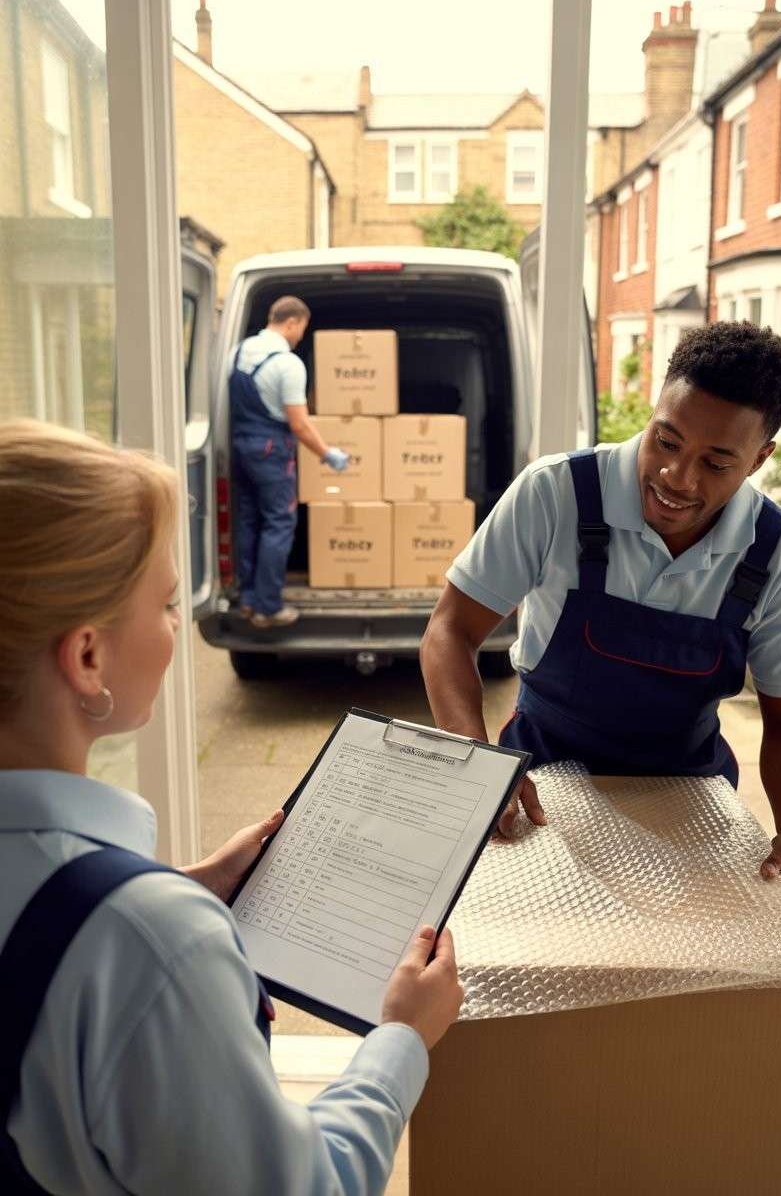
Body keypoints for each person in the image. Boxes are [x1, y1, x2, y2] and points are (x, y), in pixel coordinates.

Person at [0, 420, 463, 1195]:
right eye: (166, 603)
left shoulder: (130, 924)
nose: (175, 627)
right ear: (86, 656)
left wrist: (186, 885)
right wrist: (402, 1038)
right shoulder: (149, 943)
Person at [421, 321, 781, 892]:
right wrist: (479, 761)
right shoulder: (555, 494)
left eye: (715, 464)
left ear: (759, 459)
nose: (676, 478)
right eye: (667, 441)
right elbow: (450, 630)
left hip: (690, 805)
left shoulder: (778, 555)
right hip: (540, 787)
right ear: (654, 411)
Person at [230, 295, 350, 628]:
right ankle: (268, 608)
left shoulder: (238, 353)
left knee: (249, 521)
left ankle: (249, 599)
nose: (300, 337)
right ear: (292, 322)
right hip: (271, 452)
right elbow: (299, 424)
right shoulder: (288, 364)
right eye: (302, 329)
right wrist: (327, 454)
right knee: (278, 523)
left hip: (242, 448)